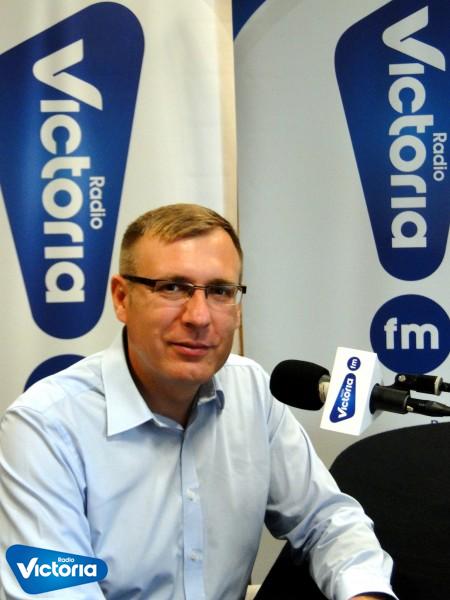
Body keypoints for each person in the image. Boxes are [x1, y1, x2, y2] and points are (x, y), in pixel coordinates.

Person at [0, 204, 396, 600]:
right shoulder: (45, 425)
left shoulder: (252, 391)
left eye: (220, 291)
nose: (199, 316)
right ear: (122, 298)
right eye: (173, 287)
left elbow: (327, 520)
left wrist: (364, 593)